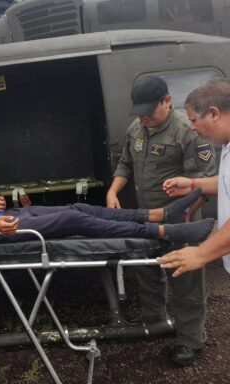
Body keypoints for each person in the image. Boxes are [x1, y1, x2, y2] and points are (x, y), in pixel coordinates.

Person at [106, 75, 217, 366]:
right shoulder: (137, 128)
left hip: (181, 221)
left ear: (166, 101)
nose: (143, 117)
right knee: (147, 272)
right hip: (147, 218)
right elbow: (125, 163)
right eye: (139, 112)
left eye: (148, 111)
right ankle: (155, 322)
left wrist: (185, 215)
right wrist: (113, 190)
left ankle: (190, 341)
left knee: (185, 281)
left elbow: (204, 182)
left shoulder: (186, 133)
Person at [0, 170, 215, 245]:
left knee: (76, 207)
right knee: (72, 218)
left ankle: (159, 214)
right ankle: (164, 232)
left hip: (3, 219)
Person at [159, 80, 230, 277]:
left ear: (214, 113)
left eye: (193, 120)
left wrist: (200, 254)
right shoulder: (227, 145)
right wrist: (193, 184)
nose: (192, 128)